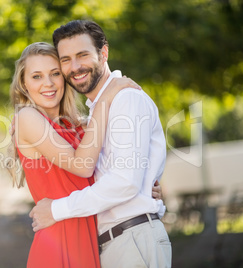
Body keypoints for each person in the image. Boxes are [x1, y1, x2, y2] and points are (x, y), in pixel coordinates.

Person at [30, 20, 172, 267]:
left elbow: (124, 182)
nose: (75, 67)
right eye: (65, 60)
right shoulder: (95, 113)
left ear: (103, 53)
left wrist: (55, 210)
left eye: (82, 55)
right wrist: (144, 189)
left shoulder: (126, 99)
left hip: (132, 239)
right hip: (116, 243)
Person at [9, 41, 146, 267]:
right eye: (37, 77)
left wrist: (144, 183)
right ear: (24, 84)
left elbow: (113, 171)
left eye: (55, 73)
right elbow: (82, 166)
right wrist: (107, 96)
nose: (48, 83)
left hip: (91, 243)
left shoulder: (81, 128)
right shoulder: (27, 118)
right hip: (57, 244)